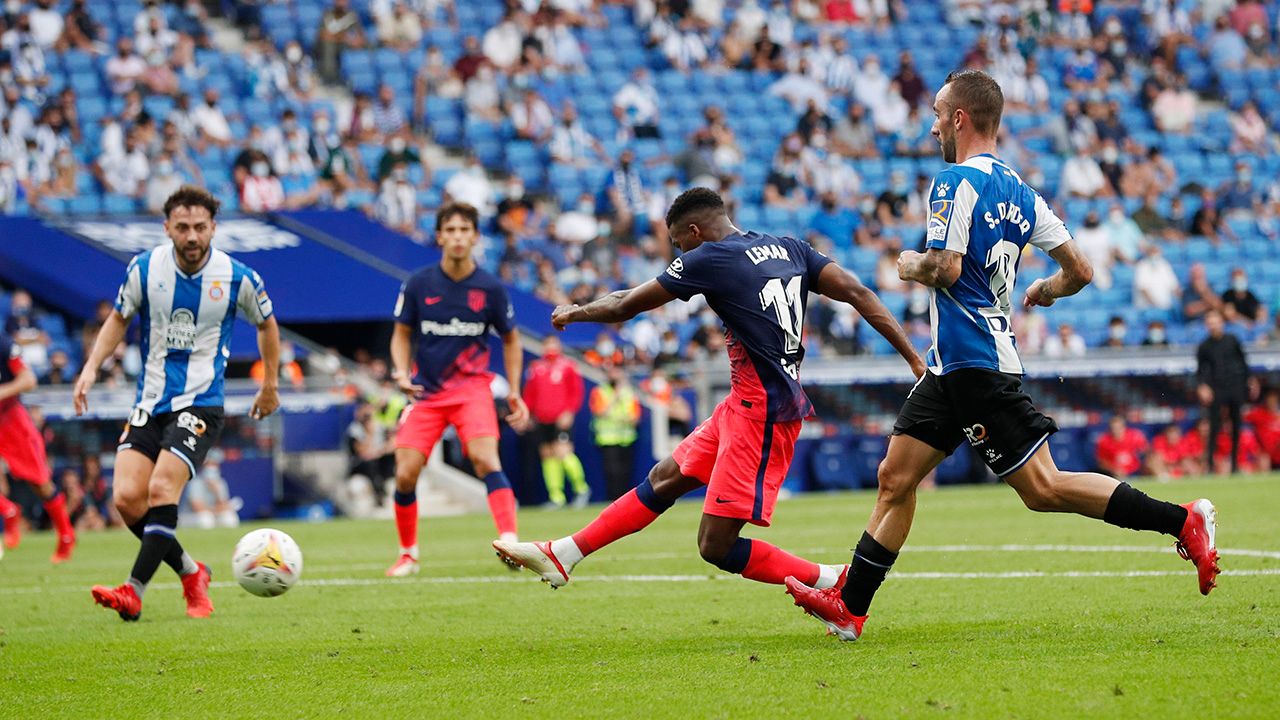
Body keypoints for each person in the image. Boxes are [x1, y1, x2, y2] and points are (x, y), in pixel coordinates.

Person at [784, 70, 1220, 643]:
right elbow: (1081, 272)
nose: (934, 122)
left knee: (1043, 488)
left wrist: (911, 263)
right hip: (950, 367)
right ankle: (851, 606)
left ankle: (1182, 518)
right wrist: (1043, 291)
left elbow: (946, 268)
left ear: (960, 119)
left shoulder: (954, 181)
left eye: (940, 113)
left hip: (975, 364)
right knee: (895, 477)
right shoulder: (1022, 191)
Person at [494, 187, 925, 603]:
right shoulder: (791, 247)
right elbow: (859, 293)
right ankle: (564, 554)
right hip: (743, 403)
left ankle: (835, 579)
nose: (681, 255)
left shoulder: (711, 257)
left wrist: (576, 311)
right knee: (664, 479)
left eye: (680, 244)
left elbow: (626, 303)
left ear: (695, 232)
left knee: (716, 545)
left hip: (763, 411)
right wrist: (914, 359)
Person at [74, 185, 281, 621]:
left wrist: (270, 384)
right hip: (151, 400)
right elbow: (118, 318)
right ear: (167, 227)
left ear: (213, 228)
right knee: (129, 500)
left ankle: (133, 591)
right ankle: (192, 573)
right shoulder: (145, 269)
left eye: (200, 228)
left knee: (161, 490)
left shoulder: (238, 277)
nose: (191, 237)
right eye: (182, 227)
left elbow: (267, 325)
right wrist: (92, 366)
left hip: (201, 403)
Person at [386, 202, 529, 577]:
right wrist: (400, 372)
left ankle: (510, 541)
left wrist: (513, 389)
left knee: (486, 459)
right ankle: (408, 554)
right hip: (427, 393)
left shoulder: (491, 288)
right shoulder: (418, 284)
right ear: (439, 237)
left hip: (471, 390)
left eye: (464, 230)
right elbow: (401, 334)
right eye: (450, 230)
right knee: (405, 473)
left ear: (476, 237)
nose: (457, 237)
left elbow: (512, 341)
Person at [0, 328, 76, 561]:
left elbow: (28, 380)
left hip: (10, 419)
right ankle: (8, 511)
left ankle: (65, 534)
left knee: (40, 482)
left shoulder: (3, 343)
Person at [523, 336, 589, 508]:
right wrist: (528, 413)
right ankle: (556, 496)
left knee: (563, 452)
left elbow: (576, 392)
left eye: (553, 343)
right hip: (542, 418)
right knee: (547, 454)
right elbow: (530, 393)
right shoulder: (536, 368)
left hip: (561, 418)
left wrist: (569, 411)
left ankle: (581, 489)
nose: (550, 347)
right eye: (547, 344)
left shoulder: (568, 366)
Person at [1196, 309, 1254, 475]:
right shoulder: (1204, 346)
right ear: (1207, 325)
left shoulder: (1232, 340)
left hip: (1235, 387)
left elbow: (1243, 362)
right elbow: (1200, 371)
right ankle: (1210, 465)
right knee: (1214, 426)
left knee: (1236, 425)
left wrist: (1250, 380)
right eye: (1210, 322)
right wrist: (1203, 386)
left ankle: (1235, 464)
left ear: (1222, 322)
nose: (1213, 325)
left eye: (1215, 321)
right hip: (1216, 388)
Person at [591, 363, 642, 500]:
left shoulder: (629, 392)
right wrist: (615, 397)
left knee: (625, 472)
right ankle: (612, 500)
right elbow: (600, 411)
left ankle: (623, 501)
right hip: (608, 438)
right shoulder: (600, 391)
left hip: (626, 438)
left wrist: (626, 419)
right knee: (612, 472)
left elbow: (636, 417)